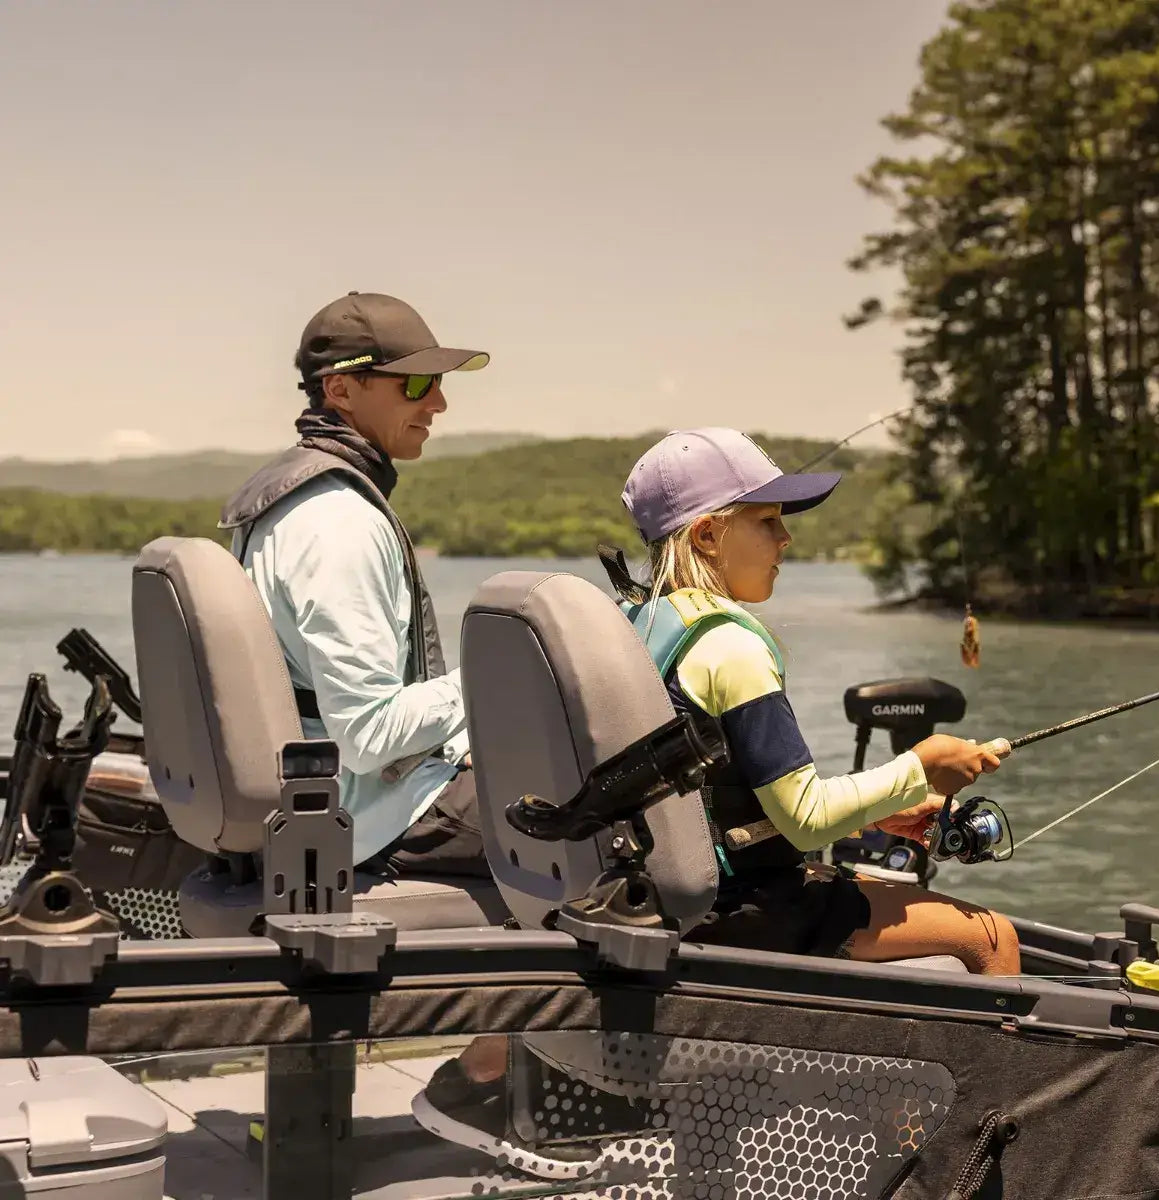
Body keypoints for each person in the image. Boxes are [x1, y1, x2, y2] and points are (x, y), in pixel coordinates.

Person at [221, 291, 536, 1151]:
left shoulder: (287, 500)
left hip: (344, 800)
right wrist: (508, 674)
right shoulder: (338, 523)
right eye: (417, 386)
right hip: (369, 816)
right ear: (344, 389)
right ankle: (493, 1087)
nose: (439, 403)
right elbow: (365, 733)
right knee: (623, 834)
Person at [608, 427, 1021, 975]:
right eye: (767, 521)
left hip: (670, 898)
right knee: (995, 940)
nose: (786, 539)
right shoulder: (730, 646)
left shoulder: (634, 625)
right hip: (747, 909)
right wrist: (922, 768)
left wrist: (870, 818)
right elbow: (805, 820)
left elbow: (709, 801)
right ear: (707, 536)